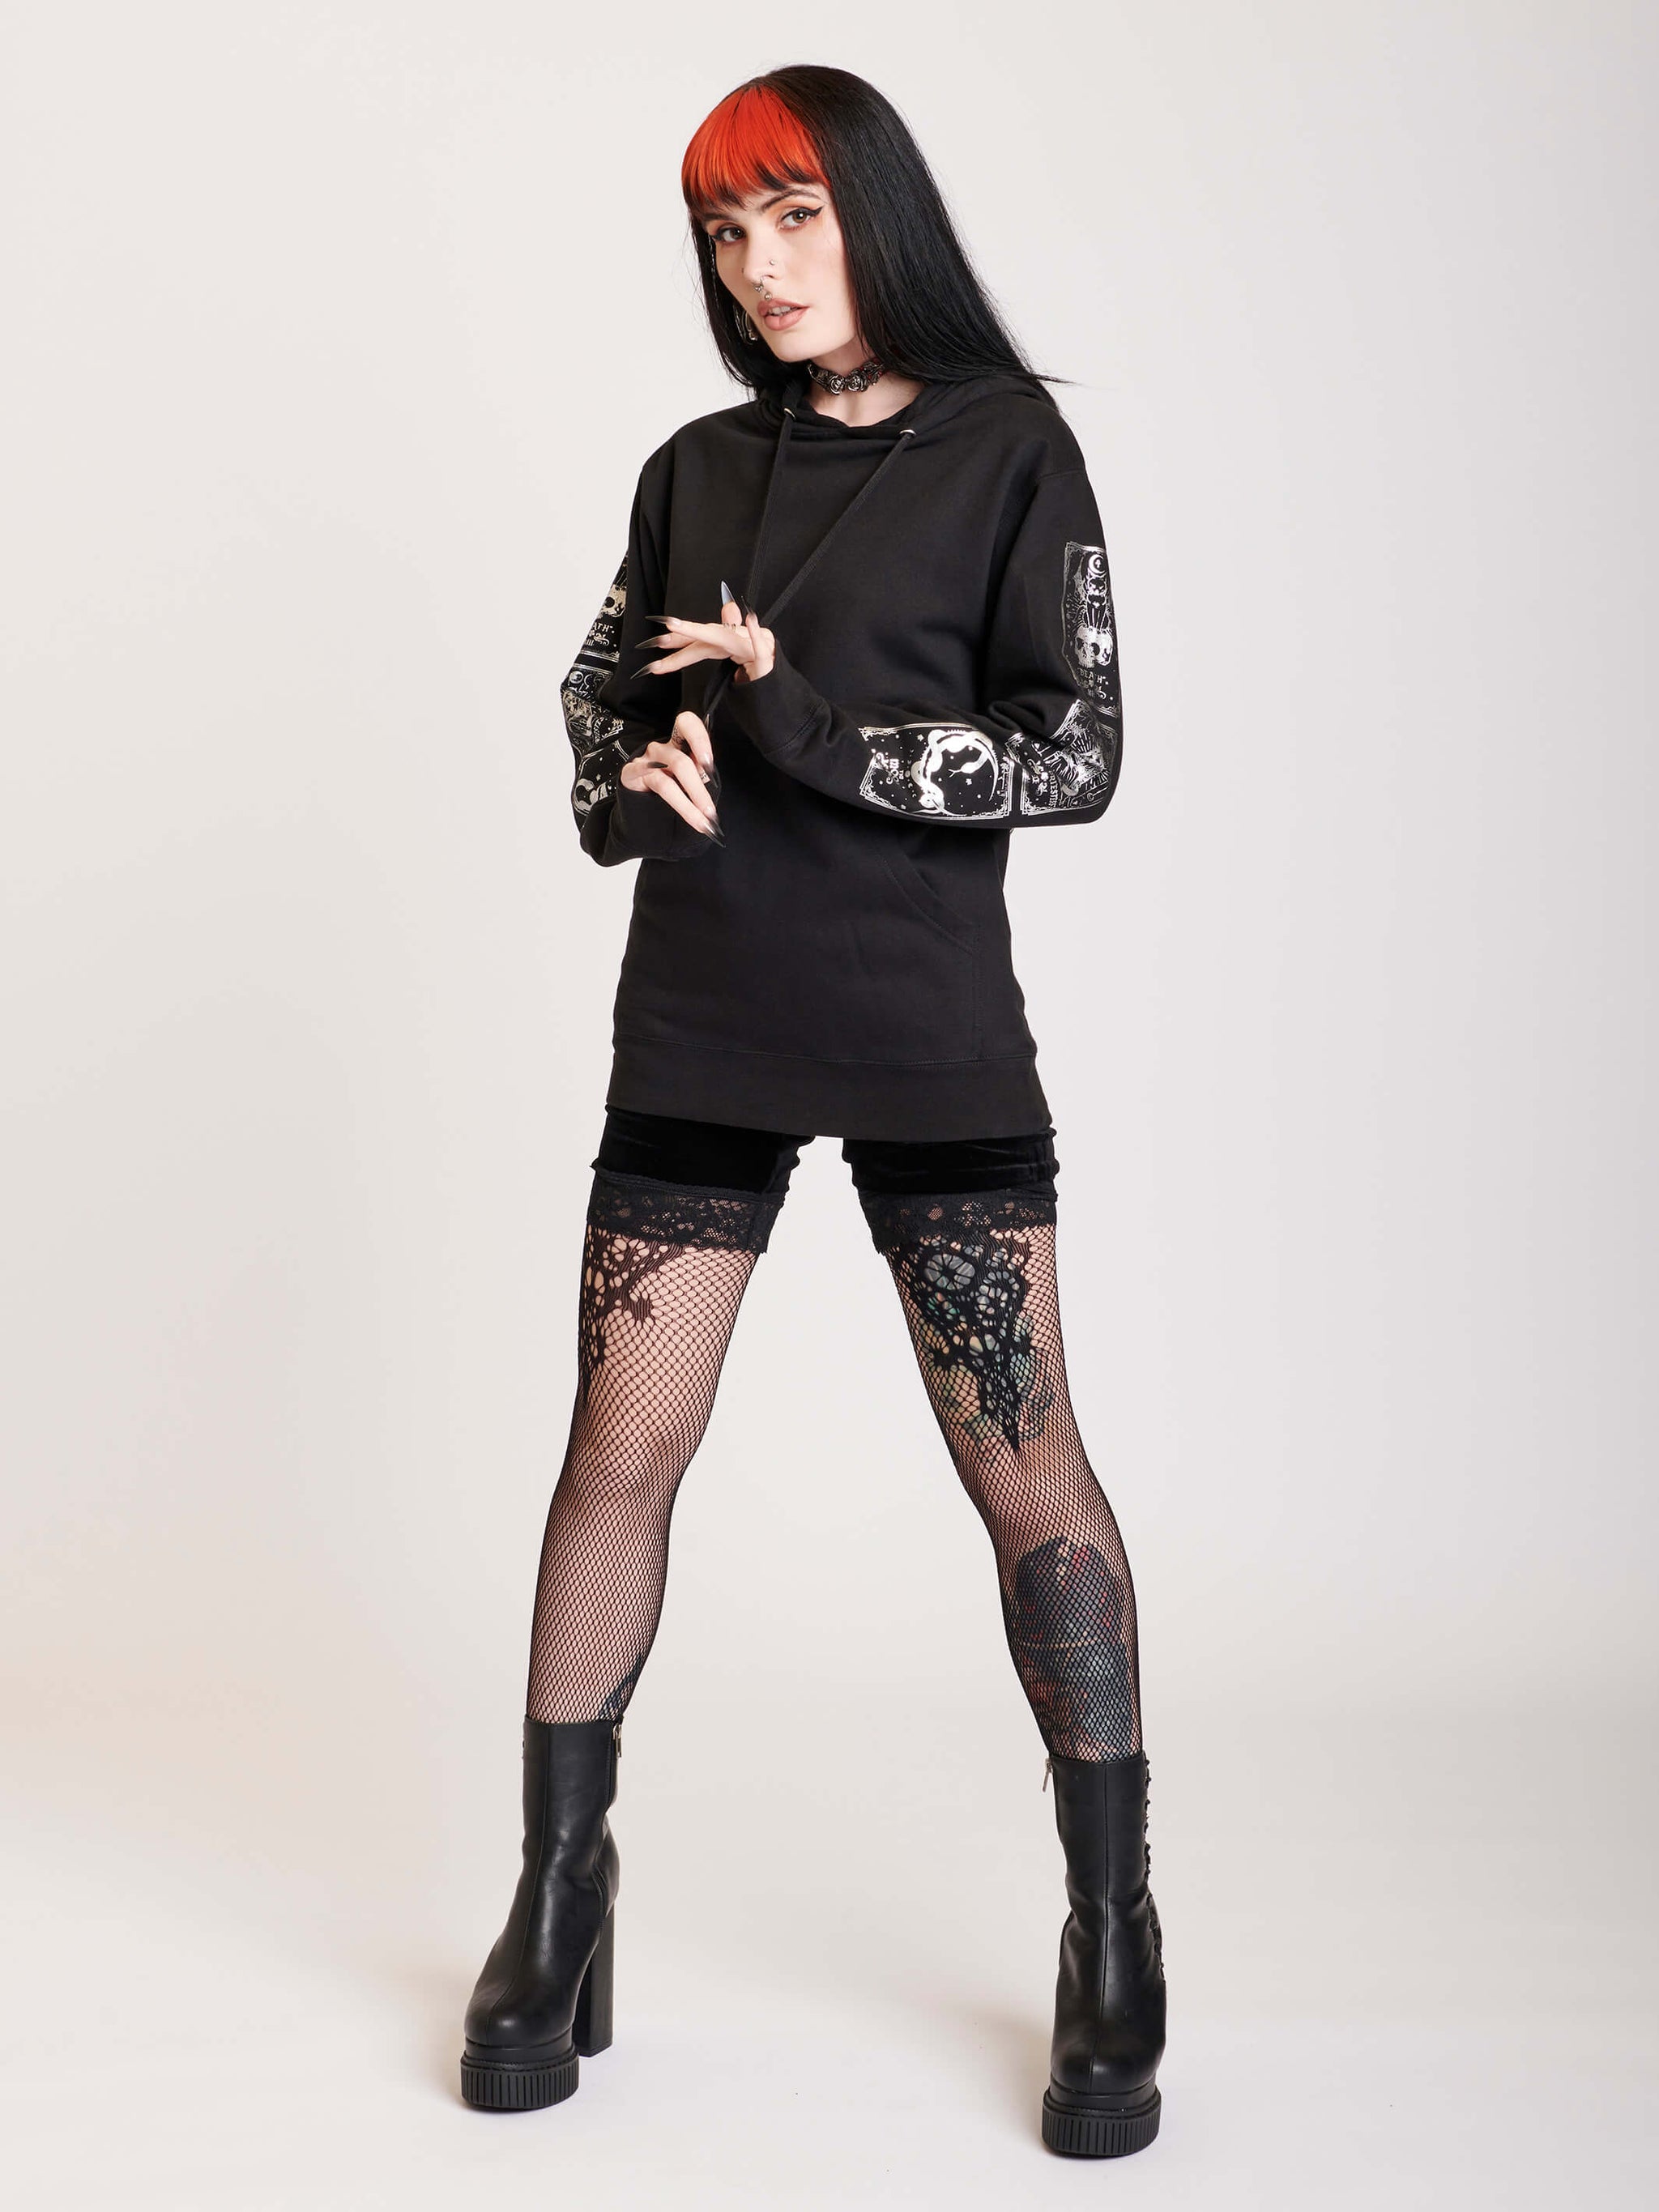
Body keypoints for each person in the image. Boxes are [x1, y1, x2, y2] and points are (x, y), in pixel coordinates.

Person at [459, 66, 1166, 2159]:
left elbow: (1075, 752)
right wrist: (634, 779)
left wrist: (803, 716)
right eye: (724, 231)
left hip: (922, 1018)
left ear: (877, 213)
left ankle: (1114, 1919)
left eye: (792, 217)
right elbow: (599, 696)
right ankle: (560, 1895)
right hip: (706, 1009)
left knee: (1029, 1474)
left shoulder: (1012, 449)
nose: (758, 267)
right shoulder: (693, 469)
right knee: (619, 1449)